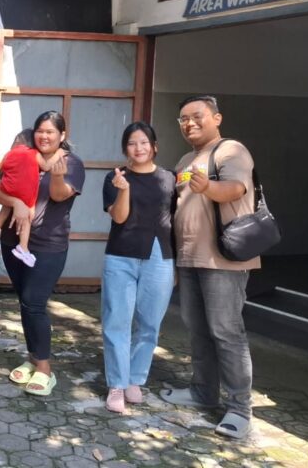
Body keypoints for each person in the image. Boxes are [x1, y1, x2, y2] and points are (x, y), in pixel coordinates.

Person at [159, 95, 259, 439]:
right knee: (198, 329)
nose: (189, 123)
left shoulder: (231, 150)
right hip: (190, 257)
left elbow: (235, 188)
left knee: (226, 332)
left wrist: (209, 187)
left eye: (197, 116)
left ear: (216, 118)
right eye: (183, 119)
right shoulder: (186, 159)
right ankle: (203, 391)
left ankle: (239, 408)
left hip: (223, 259)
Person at [0, 111, 85, 397]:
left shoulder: (71, 163)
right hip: (13, 241)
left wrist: (55, 176)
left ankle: (45, 368)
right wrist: (17, 203)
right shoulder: (24, 154)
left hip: (48, 245)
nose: (44, 136)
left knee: (34, 302)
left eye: (50, 132)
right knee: (25, 303)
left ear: (62, 135)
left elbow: (59, 195)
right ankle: (33, 358)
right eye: (40, 131)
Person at [100, 122, 176, 414]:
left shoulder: (169, 178)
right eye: (132, 143)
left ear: (154, 146)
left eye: (144, 142)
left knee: (150, 324)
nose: (139, 148)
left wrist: (175, 264)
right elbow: (119, 218)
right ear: (125, 148)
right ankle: (117, 384)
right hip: (121, 256)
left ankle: (135, 378)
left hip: (160, 256)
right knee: (117, 321)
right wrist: (124, 191)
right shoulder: (115, 177)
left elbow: (176, 221)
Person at [0, 129, 62, 267]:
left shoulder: (9, 154)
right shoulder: (34, 153)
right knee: (26, 220)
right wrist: (59, 154)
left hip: (7, 188)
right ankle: (23, 247)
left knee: (3, 213)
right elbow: (46, 166)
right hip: (24, 193)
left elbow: (2, 168)